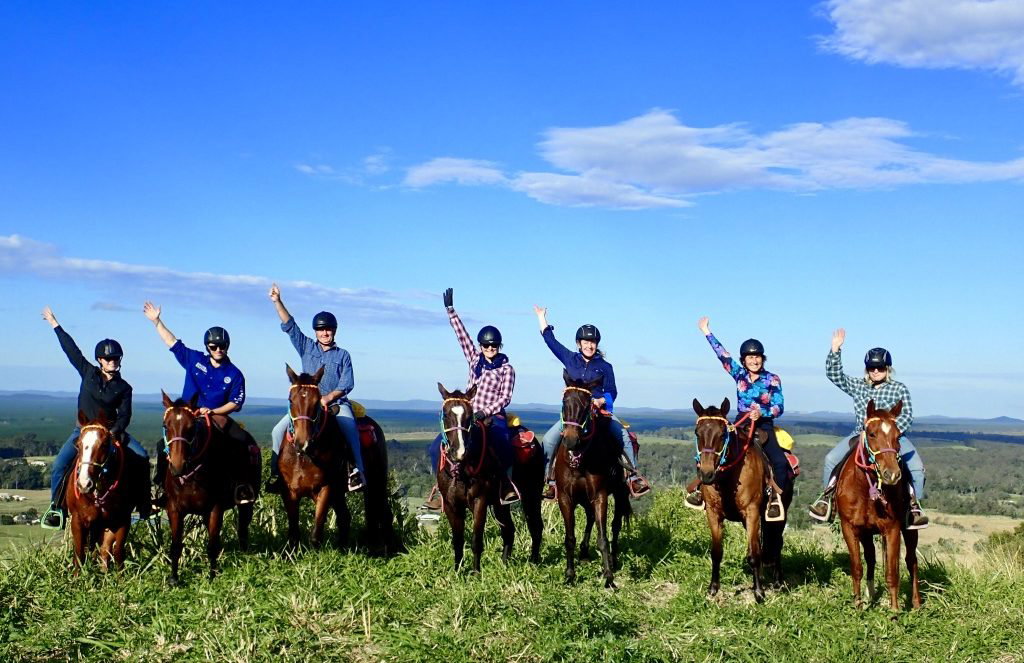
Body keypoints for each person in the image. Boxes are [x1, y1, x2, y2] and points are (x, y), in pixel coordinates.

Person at [40, 307, 150, 529]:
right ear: (100, 360)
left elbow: (125, 415)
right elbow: (71, 350)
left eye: (116, 358)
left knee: (142, 456)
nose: (113, 361)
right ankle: (56, 508)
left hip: (110, 433)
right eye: (108, 358)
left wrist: (115, 432)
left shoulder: (124, 387)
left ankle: (144, 503)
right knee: (60, 464)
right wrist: (55, 324)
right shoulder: (88, 373)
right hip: (82, 431)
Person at [808, 329, 928, 529]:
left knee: (916, 467)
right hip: (861, 434)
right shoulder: (858, 386)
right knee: (831, 459)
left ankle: (914, 507)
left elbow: (907, 415)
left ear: (887, 369)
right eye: (872, 368)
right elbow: (834, 375)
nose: (875, 371)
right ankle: (827, 500)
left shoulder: (899, 388)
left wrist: (892, 432)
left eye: (880, 368)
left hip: (892, 439)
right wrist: (835, 350)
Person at [143, 301, 256, 505]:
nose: (218, 349)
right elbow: (172, 342)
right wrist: (157, 321)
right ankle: (160, 487)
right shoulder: (194, 359)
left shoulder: (235, 373)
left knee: (241, 440)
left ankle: (241, 486)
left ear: (227, 347)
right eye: (214, 346)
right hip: (188, 414)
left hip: (216, 415)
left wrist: (213, 411)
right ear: (207, 347)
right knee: (163, 445)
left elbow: (236, 403)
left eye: (222, 346)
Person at [533, 305, 651, 499]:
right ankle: (550, 480)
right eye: (586, 341)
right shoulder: (570, 359)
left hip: (598, 413)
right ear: (579, 343)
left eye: (593, 342)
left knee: (623, 435)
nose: (589, 345)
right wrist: (541, 317)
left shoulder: (605, 367)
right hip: (573, 416)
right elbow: (550, 341)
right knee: (548, 439)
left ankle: (633, 476)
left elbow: (612, 391)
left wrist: (600, 400)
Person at [423, 288, 519, 510]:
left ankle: (505, 485)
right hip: (466, 415)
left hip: (492, 416)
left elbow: (505, 397)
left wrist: (484, 412)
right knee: (436, 446)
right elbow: (462, 337)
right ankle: (440, 488)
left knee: (503, 446)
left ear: (499, 346)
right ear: (480, 346)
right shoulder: (474, 360)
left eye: (494, 345)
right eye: (486, 345)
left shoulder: (507, 369)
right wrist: (451, 311)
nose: (490, 349)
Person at [264, 284, 365, 494]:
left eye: (328, 329)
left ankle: (356, 472)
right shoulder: (306, 346)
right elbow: (290, 325)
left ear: (334, 331)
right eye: (321, 329)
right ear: (316, 332)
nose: (324, 333)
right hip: (306, 406)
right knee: (277, 431)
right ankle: (276, 475)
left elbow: (347, 383)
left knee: (350, 430)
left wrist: (328, 397)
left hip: (335, 404)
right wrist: (277, 301)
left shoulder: (343, 355)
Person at [685, 317, 788, 520]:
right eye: (750, 357)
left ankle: (775, 499)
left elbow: (779, 405)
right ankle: (701, 489)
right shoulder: (739, 374)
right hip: (740, 422)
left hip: (764, 425)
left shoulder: (772, 379)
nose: (754, 360)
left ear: (762, 358)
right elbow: (723, 356)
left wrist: (763, 413)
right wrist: (707, 332)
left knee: (780, 462)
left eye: (757, 357)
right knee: (712, 447)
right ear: (744, 360)